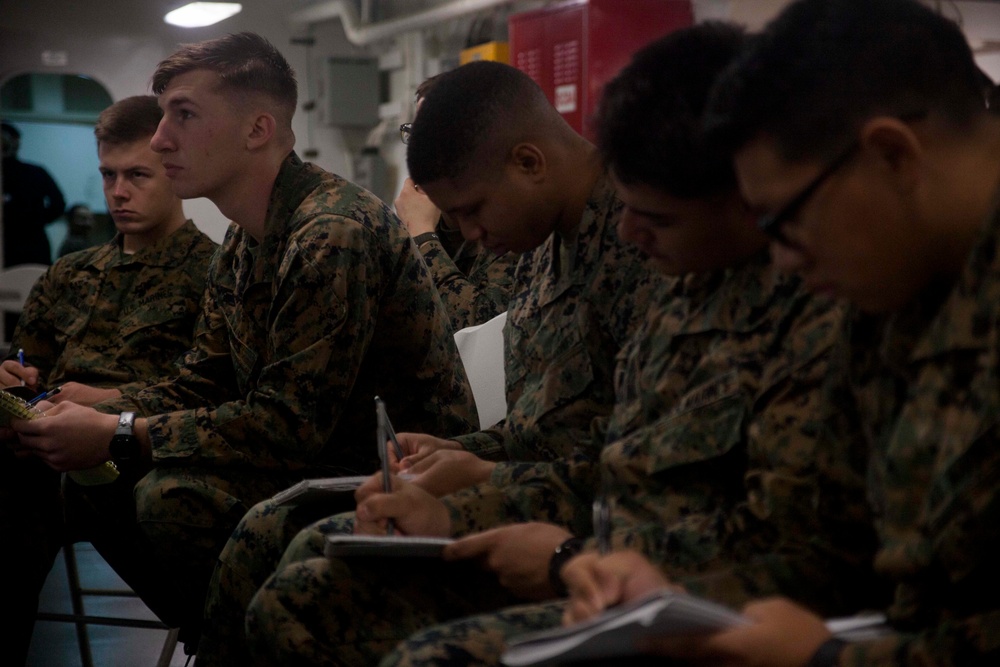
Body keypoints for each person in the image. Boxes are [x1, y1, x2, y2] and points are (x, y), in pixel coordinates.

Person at [244, 26, 883, 667]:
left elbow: (793, 550)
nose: (632, 231)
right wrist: (480, 489)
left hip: (685, 595)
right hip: (608, 563)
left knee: (409, 646)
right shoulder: (678, 277)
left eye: (655, 217)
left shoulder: (821, 305)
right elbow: (613, 461)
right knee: (306, 572)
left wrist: (551, 550)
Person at [6, 31, 476, 657]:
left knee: (167, 498)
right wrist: (101, 411)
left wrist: (121, 428)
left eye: (185, 114)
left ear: (257, 129)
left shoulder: (330, 231)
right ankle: (224, 638)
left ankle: (238, 646)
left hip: (383, 472)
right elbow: (203, 379)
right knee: (92, 485)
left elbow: (289, 425)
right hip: (304, 459)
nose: (159, 138)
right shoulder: (247, 238)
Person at [558, 1, 1000, 665]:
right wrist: (671, 596)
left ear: (892, 156)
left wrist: (826, 659)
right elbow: (834, 552)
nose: (784, 260)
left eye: (783, 220)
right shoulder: (890, 293)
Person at [193, 59, 665, 665]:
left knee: (306, 586)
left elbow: (624, 457)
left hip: (595, 519)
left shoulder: (638, 245)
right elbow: (549, 425)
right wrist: (468, 454)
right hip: (553, 490)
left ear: (528, 162)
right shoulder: (548, 241)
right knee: (290, 537)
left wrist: (485, 476)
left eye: (472, 209)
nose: (468, 232)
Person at [0, 94, 218, 667]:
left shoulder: (214, 274)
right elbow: (28, 360)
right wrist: (12, 378)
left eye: (137, 175)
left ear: (172, 170)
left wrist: (107, 403)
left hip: (134, 448)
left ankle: (210, 630)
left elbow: (210, 392)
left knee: (34, 496)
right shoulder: (70, 273)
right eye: (108, 175)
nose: (118, 191)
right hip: (43, 446)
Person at [395, 74, 518, 331]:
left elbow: (478, 329)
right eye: (417, 135)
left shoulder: (513, 222)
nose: (421, 151)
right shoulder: (424, 212)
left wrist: (423, 237)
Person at [1, 120, 66, 267]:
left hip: (32, 245)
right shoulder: (35, 172)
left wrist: (34, 221)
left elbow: (58, 204)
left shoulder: (35, 172)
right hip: (29, 242)